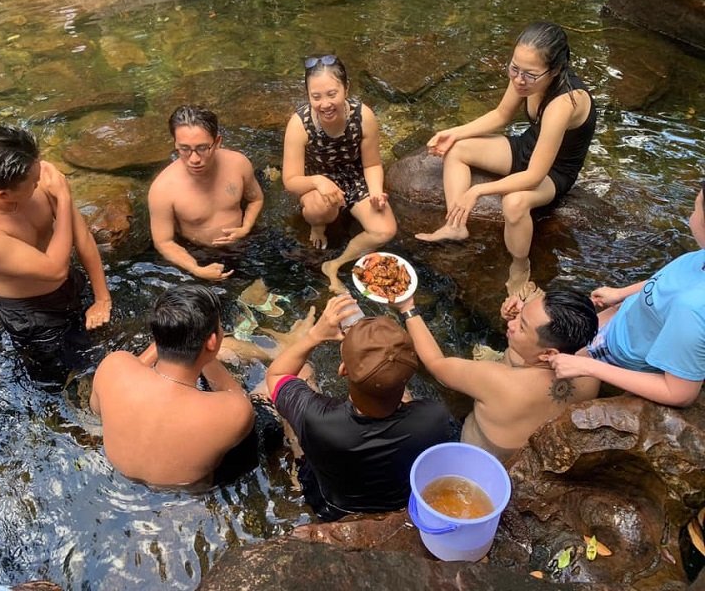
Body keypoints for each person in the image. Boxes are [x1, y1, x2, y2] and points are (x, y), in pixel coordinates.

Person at [415, 22, 596, 296]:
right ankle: (455, 226)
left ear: (556, 69)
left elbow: (534, 176)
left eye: (529, 74)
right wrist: (452, 133)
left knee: (514, 203)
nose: (519, 80)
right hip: (526, 147)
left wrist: (477, 190)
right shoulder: (524, 78)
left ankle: (521, 265)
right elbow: (501, 115)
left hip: (554, 172)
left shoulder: (564, 103)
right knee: (458, 150)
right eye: (514, 68)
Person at [264, 294, 454, 521]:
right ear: (411, 370)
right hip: (401, 502)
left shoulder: (316, 418)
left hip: (332, 507)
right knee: (400, 394)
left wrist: (314, 336)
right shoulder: (434, 416)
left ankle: (297, 453)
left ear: (343, 369)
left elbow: (276, 375)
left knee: (302, 372)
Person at [0, 123, 111, 366]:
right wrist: (64, 198)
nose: (41, 181)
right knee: (58, 376)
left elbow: (82, 236)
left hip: (71, 283)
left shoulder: (31, 171)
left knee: (101, 346)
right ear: (3, 195)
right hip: (34, 315)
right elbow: (54, 269)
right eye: (34, 183)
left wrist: (102, 298)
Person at [396, 289, 599, 462]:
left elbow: (436, 364)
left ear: (548, 354)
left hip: (475, 457)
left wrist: (407, 308)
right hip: (520, 456)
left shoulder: (498, 381)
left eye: (521, 326)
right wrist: (523, 315)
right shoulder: (591, 372)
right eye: (521, 313)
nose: (511, 323)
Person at [549, 185, 705, 408]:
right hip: (627, 318)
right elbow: (668, 281)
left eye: (695, 208)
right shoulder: (701, 257)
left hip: (618, 352)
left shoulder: (692, 311)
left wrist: (589, 368)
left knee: (545, 367)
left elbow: (679, 393)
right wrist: (621, 294)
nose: (691, 214)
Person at [90, 284, 255, 488]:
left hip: (115, 473)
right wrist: (204, 355)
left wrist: (172, 341)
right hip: (186, 491)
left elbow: (97, 411)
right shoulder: (236, 411)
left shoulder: (112, 367)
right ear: (212, 341)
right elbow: (235, 394)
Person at [282, 55, 397, 293]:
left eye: (332, 94)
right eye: (316, 97)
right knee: (321, 209)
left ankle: (335, 263)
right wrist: (318, 181)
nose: (325, 104)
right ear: (308, 95)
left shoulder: (363, 116)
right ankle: (318, 226)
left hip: (354, 178)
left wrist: (375, 191)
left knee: (385, 230)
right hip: (315, 181)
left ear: (346, 88)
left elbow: (372, 164)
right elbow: (290, 181)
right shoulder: (299, 124)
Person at [149, 105, 264, 281]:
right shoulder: (163, 189)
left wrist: (246, 227)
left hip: (245, 241)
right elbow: (164, 242)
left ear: (217, 142)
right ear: (175, 144)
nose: (194, 159)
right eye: (184, 149)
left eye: (202, 148)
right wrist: (196, 269)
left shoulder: (238, 164)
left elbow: (255, 199)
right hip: (198, 254)